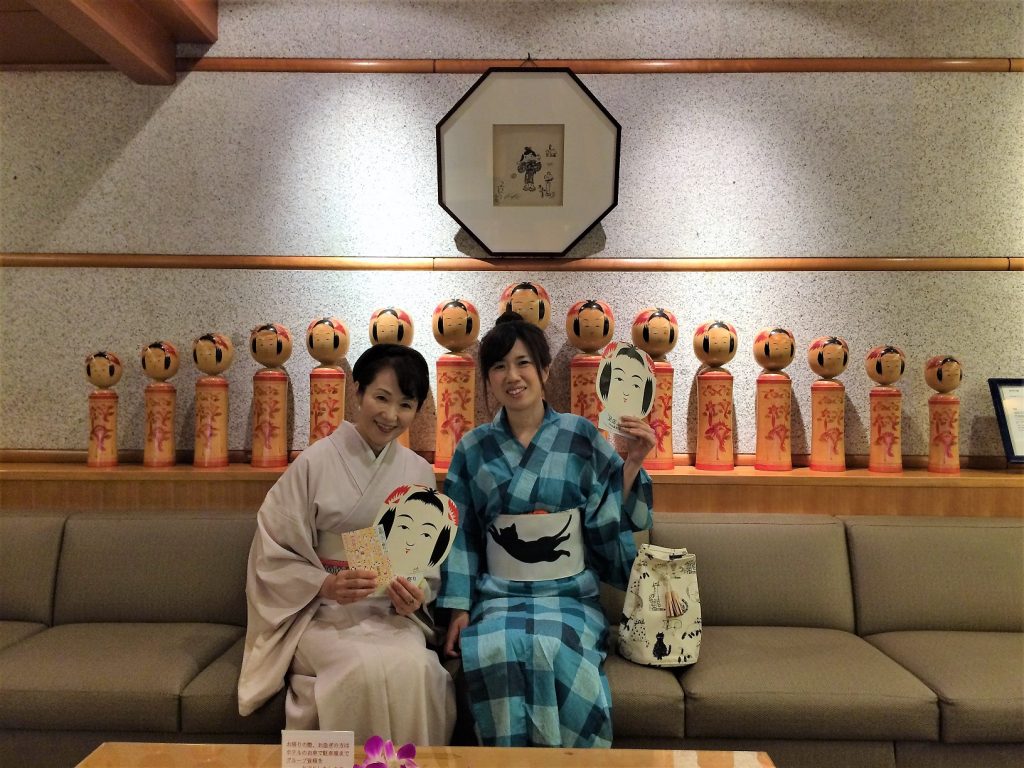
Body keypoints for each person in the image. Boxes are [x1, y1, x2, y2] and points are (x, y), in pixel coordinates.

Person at [438, 312, 656, 747]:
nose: (512, 376)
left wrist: (633, 461)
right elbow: (461, 535)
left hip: (567, 594)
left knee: (554, 643)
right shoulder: (472, 448)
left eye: (523, 363)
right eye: (499, 366)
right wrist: (459, 608)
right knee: (496, 646)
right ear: (488, 379)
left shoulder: (581, 436)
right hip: (499, 596)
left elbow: (607, 508)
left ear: (544, 370)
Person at [237, 343, 456, 745]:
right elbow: (272, 552)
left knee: (418, 669)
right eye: (381, 398)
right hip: (322, 613)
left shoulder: (418, 471)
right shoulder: (313, 463)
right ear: (358, 392)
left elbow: (425, 566)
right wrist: (325, 584)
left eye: (406, 405)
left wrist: (416, 594)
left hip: (389, 614)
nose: (391, 415)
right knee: (360, 668)